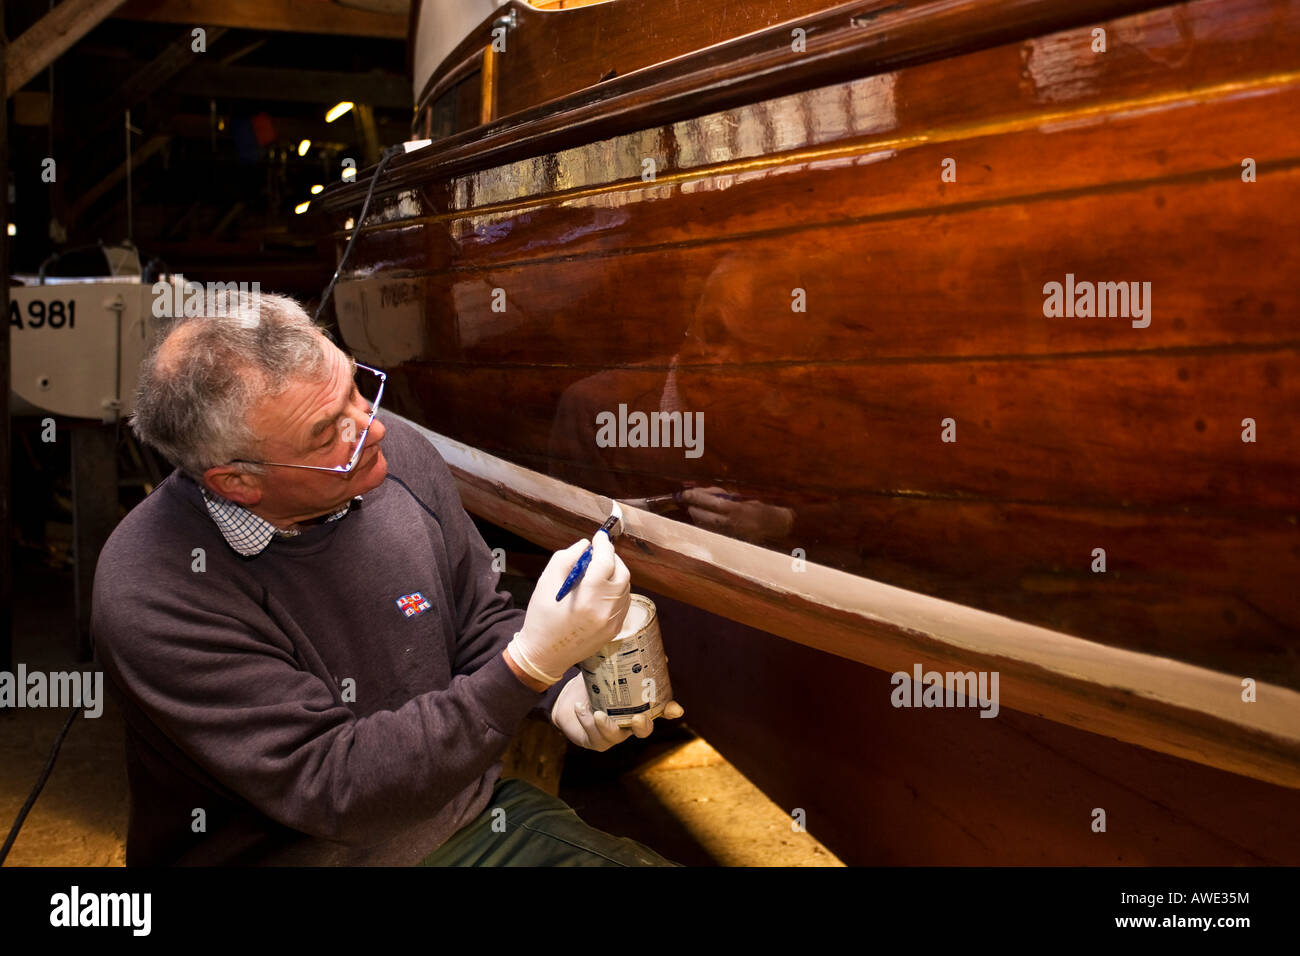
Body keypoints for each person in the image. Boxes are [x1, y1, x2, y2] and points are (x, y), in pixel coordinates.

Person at [92, 291, 683, 865]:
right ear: (236, 482)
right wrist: (528, 667)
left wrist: (562, 692)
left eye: (355, 388)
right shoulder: (152, 591)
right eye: (328, 434)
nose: (372, 428)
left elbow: (474, 619)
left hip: (459, 820)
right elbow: (337, 790)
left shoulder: (391, 456)